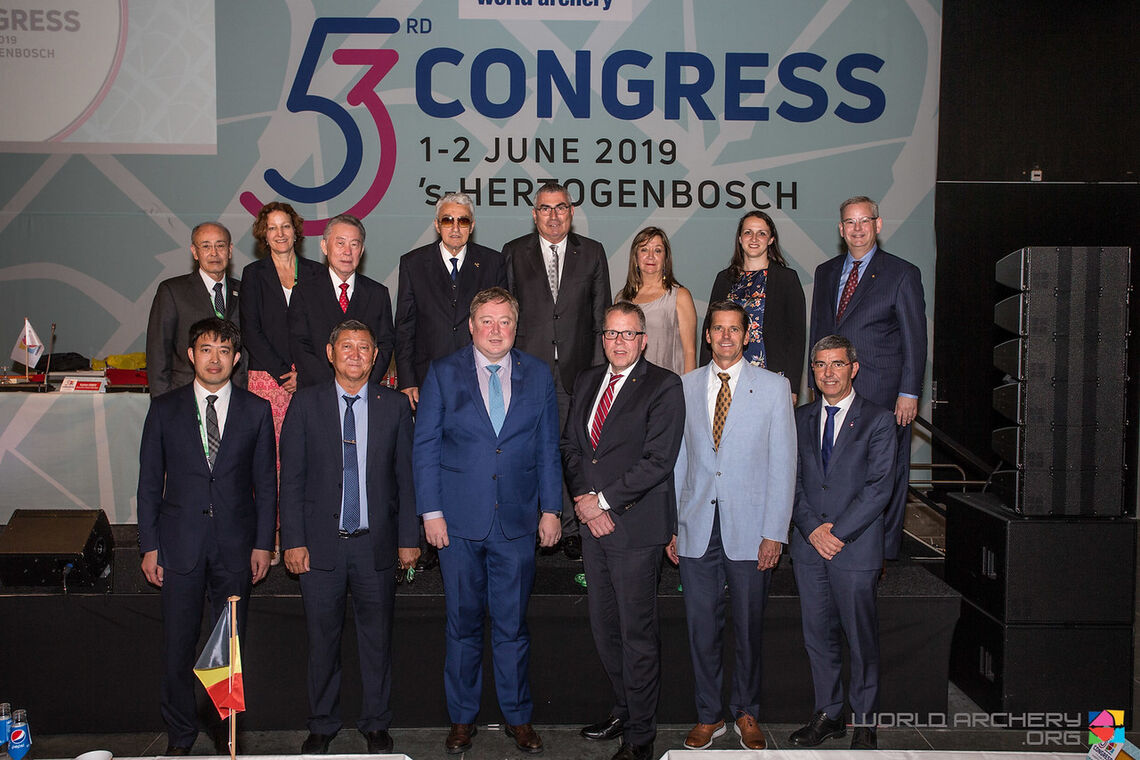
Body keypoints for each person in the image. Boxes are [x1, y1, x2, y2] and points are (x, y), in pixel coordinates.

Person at [413, 287, 562, 755]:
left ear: (516, 327)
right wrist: (431, 513)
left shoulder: (539, 374)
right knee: (462, 624)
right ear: (472, 326)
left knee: (513, 626)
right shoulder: (443, 372)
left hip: (517, 523)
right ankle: (462, 718)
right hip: (457, 524)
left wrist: (551, 509)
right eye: (487, 321)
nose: (496, 331)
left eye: (505, 322)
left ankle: (518, 717)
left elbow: (548, 447)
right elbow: (425, 447)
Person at [278, 320, 419, 755]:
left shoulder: (395, 406)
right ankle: (322, 723)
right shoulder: (305, 403)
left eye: (363, 347)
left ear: (375, 357)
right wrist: (292, 540)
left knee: (377, 640)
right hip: (320, 546)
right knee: (322, 641)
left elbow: (406, 478)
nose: (355, 354)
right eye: (347, 346)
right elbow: (291, 479)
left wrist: (408, 538)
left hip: (375, 544)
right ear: (330, 353)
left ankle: (376, 722)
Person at [136, 318, 276, 755]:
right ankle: (180, 734)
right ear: (190, 355)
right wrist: (149, 545)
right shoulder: (165, 409)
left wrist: (264, 543)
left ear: (236, 359)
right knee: (177, 646)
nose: (214, 359)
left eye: (224, 351)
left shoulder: (256, 410)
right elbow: (148, 484)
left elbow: (266, 484)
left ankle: (224, 731)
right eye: (206, 349)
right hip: (178, 546)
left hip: (237, 547)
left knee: (229, 649)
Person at [668, 301, 796, 751]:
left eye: (734, 329)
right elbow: (678, 461)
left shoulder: (775, 387)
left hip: (752, 530)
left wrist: (775, 532)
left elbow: (784, 463)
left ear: (747, 335)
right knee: (701, 629)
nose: (725, 336)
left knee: (748, 627)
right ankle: (709, 716)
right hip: (696, 527)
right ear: (707, 336)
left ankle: (746, 712)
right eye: (718, 328)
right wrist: (674, 526)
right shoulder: (684, 386)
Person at [561, 302, 685, 760]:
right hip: (594, 528)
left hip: (635, 529)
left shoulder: (664, 386)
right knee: (605, 629)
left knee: (637, 636)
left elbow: (659, 460)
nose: (618, 342)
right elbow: (571, 447)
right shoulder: (587, 380)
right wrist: (584, 500)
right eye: (611, 333)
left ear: (644, 340)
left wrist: (603, 501)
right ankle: (624, 708)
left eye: (628, 334)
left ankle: (640, 736)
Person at [788, 335, 897, 751]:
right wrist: (811, 528)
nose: (828, 372)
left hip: (855, 548)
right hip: (808, 547)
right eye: (820, 364)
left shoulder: (878, 420)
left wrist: (835, 533)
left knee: (860, 638)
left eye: (836, 364)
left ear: (854, 368)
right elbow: (789, 480)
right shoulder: (798, 418)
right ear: (812, 371)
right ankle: (829, 714)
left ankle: (865, 721)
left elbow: (879, 487)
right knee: (818, 637)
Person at [808, 196, 926, 560]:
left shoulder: (902, 273)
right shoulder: (826, 272)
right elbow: (819, 332)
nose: (857, 228)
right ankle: (835, 541)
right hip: (832, 390)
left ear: (878, 225)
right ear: (841, 229)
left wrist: (909, 392)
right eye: (850, 222)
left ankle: (883, 555)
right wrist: (815, 386)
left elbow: (915, 339)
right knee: (834, 470)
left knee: (885, 473)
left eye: (864, 221)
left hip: (882, 393)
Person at [503, 182, 611, 560]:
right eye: (545, 209)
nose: (553, 216)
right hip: (526, 371)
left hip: (576, 374)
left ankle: (570, 528)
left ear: (571, 211)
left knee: (570, 451)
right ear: (535, 215)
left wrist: (597, 377)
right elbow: (506, 317)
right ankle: (531, 521)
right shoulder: (514, 252)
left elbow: (600, 319)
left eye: (560, 207)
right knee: (526, 448)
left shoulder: (592, 252)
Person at [394, 192, 507, 410]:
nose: (455, 228)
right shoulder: (413, 264)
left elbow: (502, 324)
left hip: (480, 377)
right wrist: (407, 380)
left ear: (472, 226)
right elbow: (405, 327)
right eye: (447, 220)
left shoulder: (492, 262)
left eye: (462, 221)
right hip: (427, 377)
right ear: (437, 225)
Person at [700, 210, 806, 399]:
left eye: (761, 233)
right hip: (726, 374)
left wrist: (792, 387)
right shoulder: (724, 279)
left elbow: (797, 337)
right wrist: (704, 377)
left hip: (771, 374)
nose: (754, 238)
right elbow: (709, 330)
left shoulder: (786, 279)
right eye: (748, 232)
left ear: (771, 239)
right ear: (740, 238)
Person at [289, 213, 395, 389]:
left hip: (365, 391)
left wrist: (361, 386)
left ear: (362, 250)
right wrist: (335, 388)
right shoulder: (304, 293)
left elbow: (385, 345)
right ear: (324, 246)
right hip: (317, 391)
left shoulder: (377, 294)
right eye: (340, 243)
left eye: (354, 244)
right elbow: (300, 346)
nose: (347, 252)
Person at [147, 222, 244, 396]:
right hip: (183, 394)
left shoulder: (245, 291)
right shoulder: (172, 291)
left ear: (230, 250)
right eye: (206, 246)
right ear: (194, 252)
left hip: (235, 394)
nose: (214, 253)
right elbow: (158, 351)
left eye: (220, 246)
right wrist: (162, 401)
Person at [614, 227, 697, 375]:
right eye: (644, 250)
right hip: (630, 383)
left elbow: (690, 352)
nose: (651, 256)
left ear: (665, 258)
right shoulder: (621, 298)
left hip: (669, 383)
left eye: (657, 250)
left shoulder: (680, 296)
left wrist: (688, 387)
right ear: (635, 257)